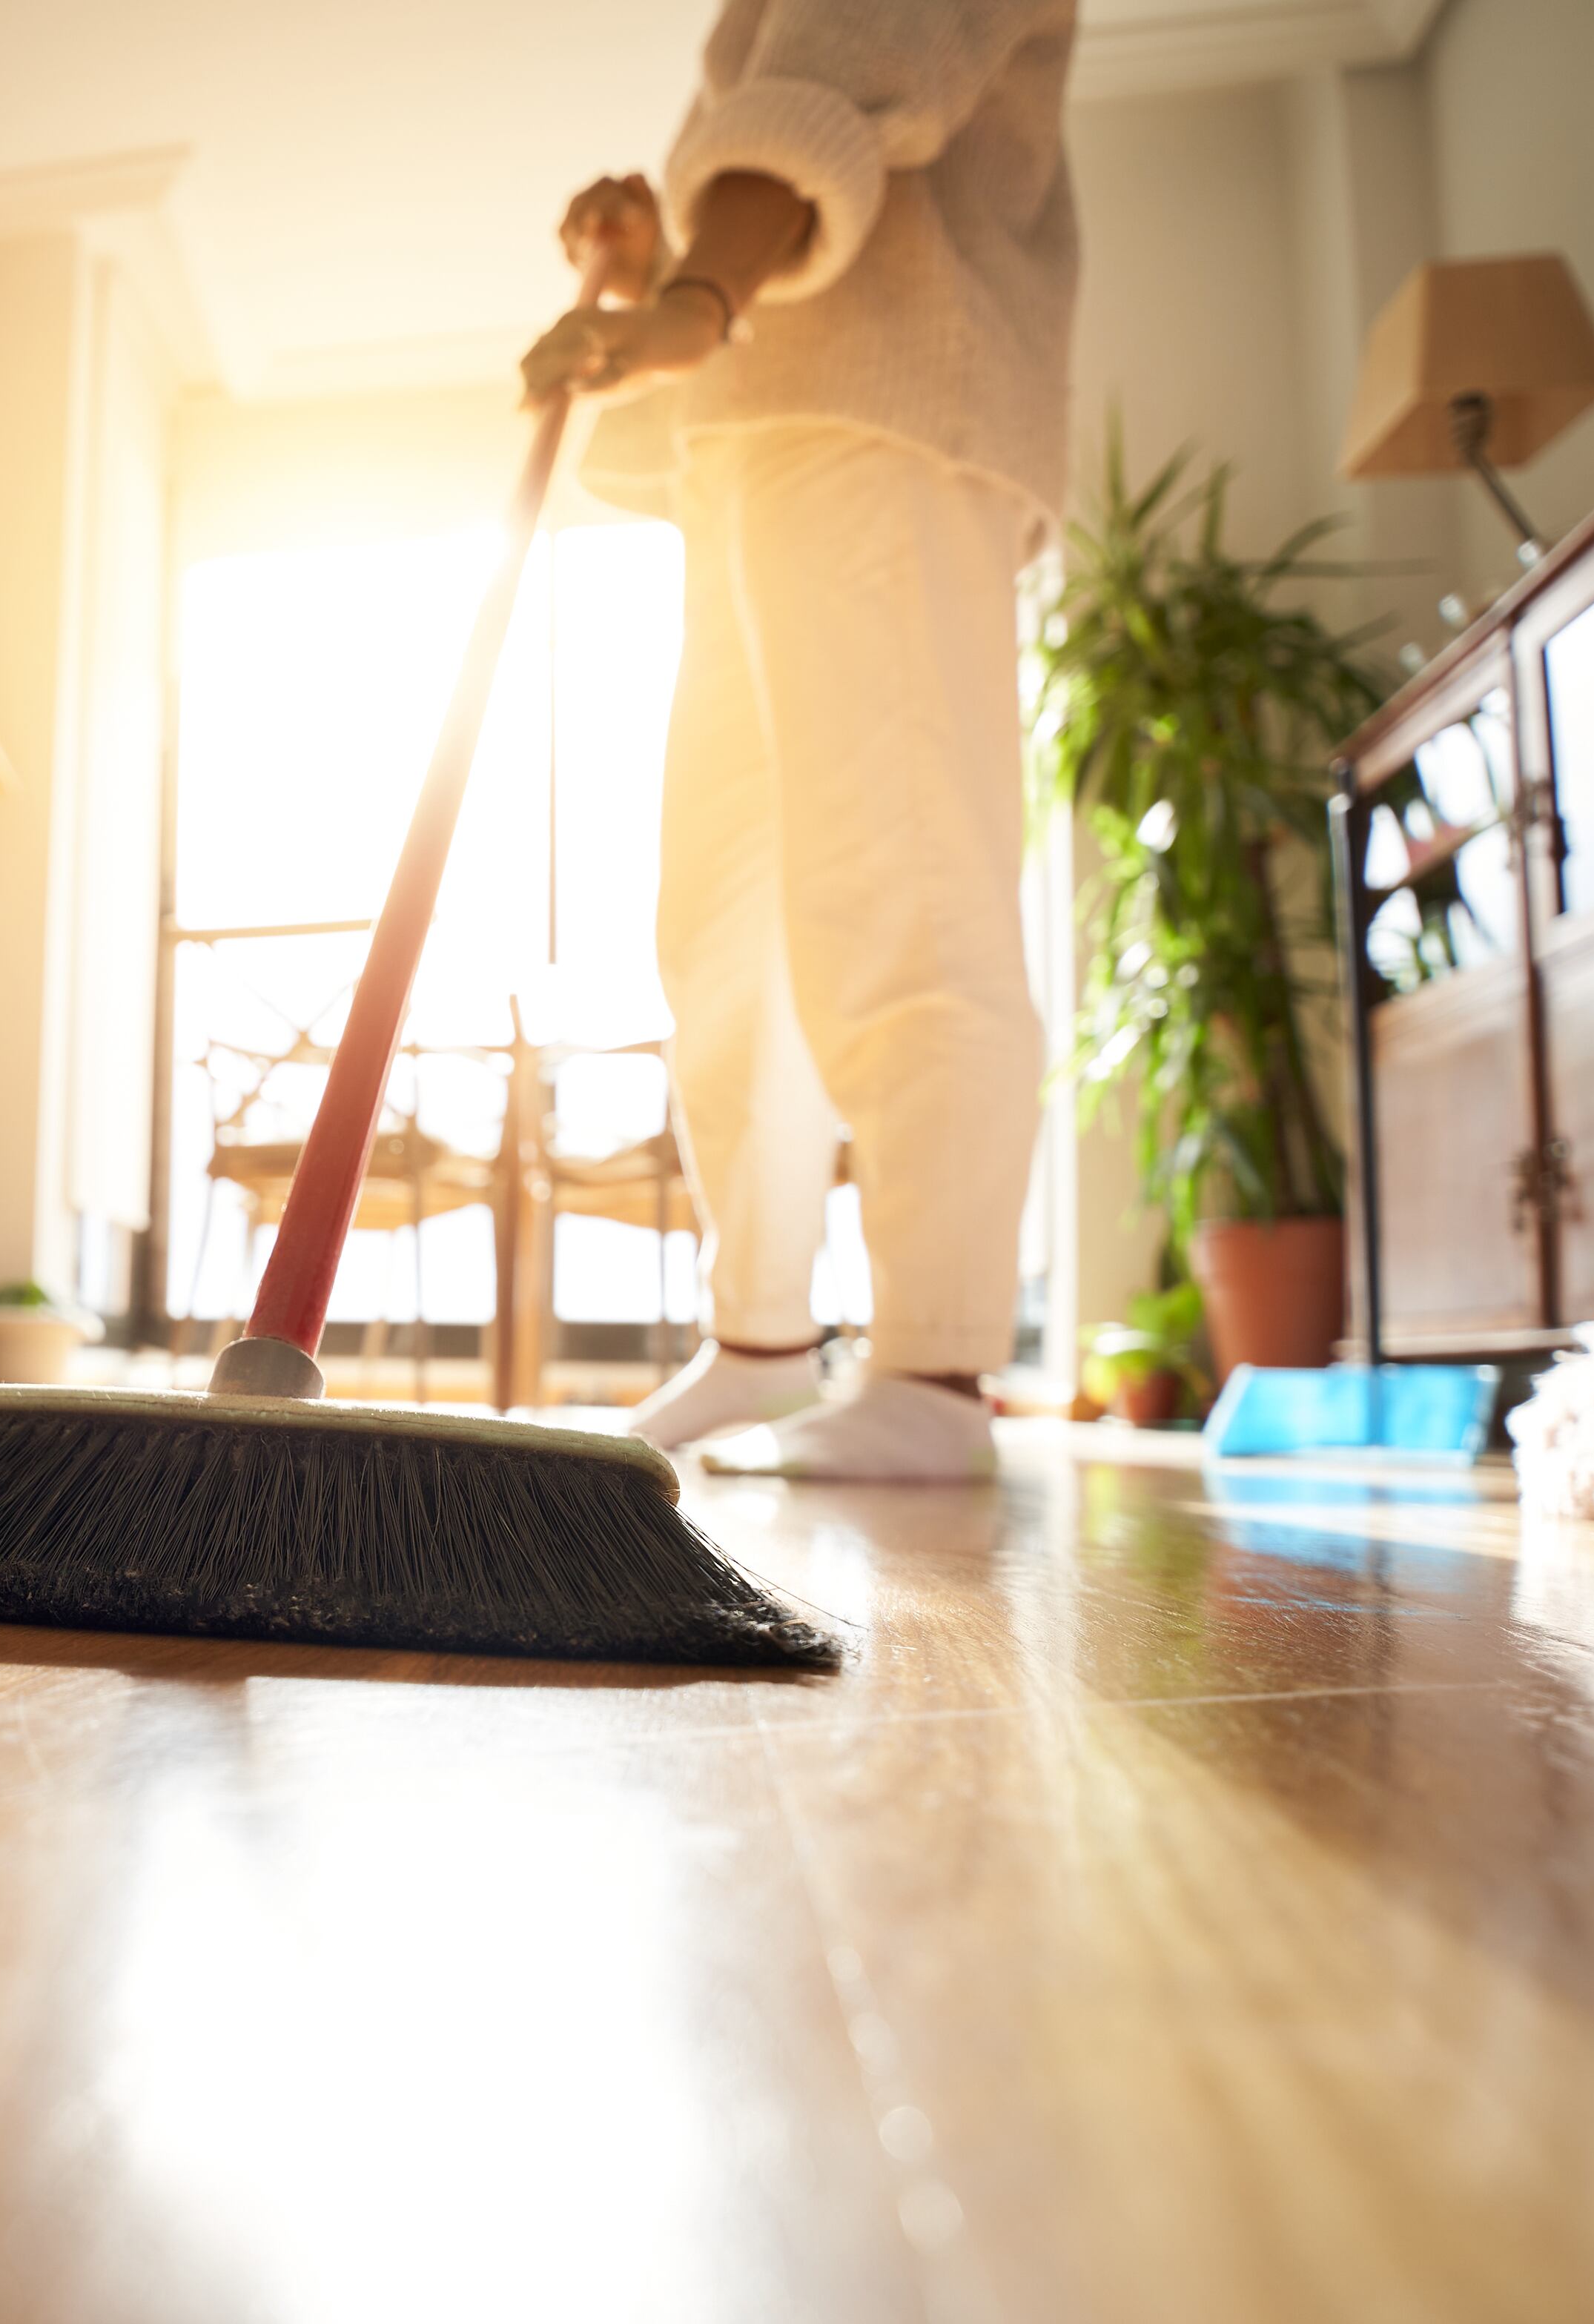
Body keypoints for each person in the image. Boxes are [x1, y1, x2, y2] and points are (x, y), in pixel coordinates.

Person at [520, 0, 1079, 1480]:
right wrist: (665, 277)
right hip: (754, 446)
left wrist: (696, 298)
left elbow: (849, 76)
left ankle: (935, 1365)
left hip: (885, 409)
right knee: (725, 925)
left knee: (898, 865)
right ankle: (761, 1343)